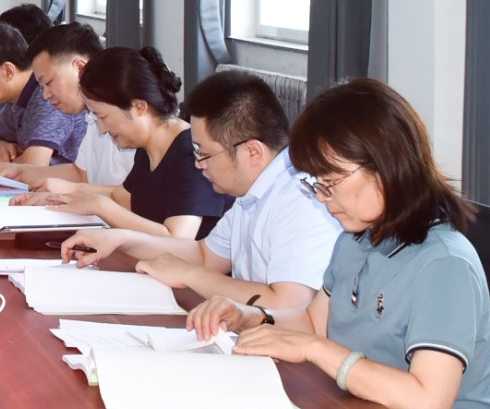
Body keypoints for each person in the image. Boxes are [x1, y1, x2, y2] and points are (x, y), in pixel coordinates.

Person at [188, 78, 490, 409]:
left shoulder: (444, 265)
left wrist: (316, 350)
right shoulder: (355, 241)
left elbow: (425, 406)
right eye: (316, 184)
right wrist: (250, 316)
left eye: (330, 183)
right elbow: (315, 324)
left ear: (384, 164)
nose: (322, 199)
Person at [60, 69, 340, 312]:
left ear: (253, 152)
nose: (198, 164)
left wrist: (189, 275)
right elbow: (205, 255)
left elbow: (288, 305)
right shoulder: (254, 192)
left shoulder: (302, 199)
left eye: (204, 154)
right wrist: (120, 239)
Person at [20, 47, 230, 239]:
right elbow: (121, 197)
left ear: (138, 106)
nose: (102, 129)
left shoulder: (190, 155)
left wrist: (99, 206)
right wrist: (59, 198)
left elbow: (177, 239)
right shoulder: (147, 149)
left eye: (102, 117)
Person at [0, 22, 134, 189]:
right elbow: (80, 174)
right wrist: (16, 172)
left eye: (49, 83)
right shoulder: (92, 117)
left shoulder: (127, 114)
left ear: (80, 68)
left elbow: (133, 197)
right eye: (42, 87)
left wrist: (72, 191)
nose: (45, 95)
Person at [0, 21, 86, 165]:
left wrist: (3, 164)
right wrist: (0, 147)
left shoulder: (48, 97)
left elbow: (34, 165)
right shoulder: (16, 102)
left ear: (8, 70)